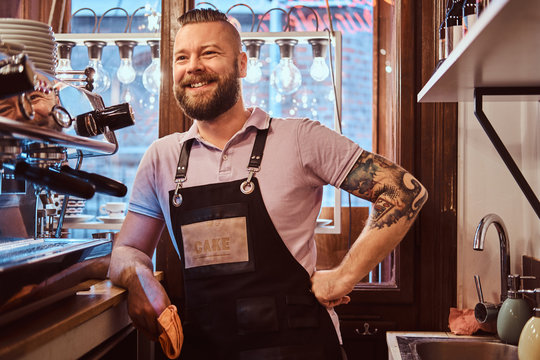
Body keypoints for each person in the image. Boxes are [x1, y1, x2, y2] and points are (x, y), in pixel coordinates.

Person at [109, 8, 428, 360]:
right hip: (205, 350)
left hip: (301, 350)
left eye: (209, 53)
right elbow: (128, 250)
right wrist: (138, 277)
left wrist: (344, 277)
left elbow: (402, 189)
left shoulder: (299, 139)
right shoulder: (161, 157)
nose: (193, 66)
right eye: (182, 57)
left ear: (242, 64)